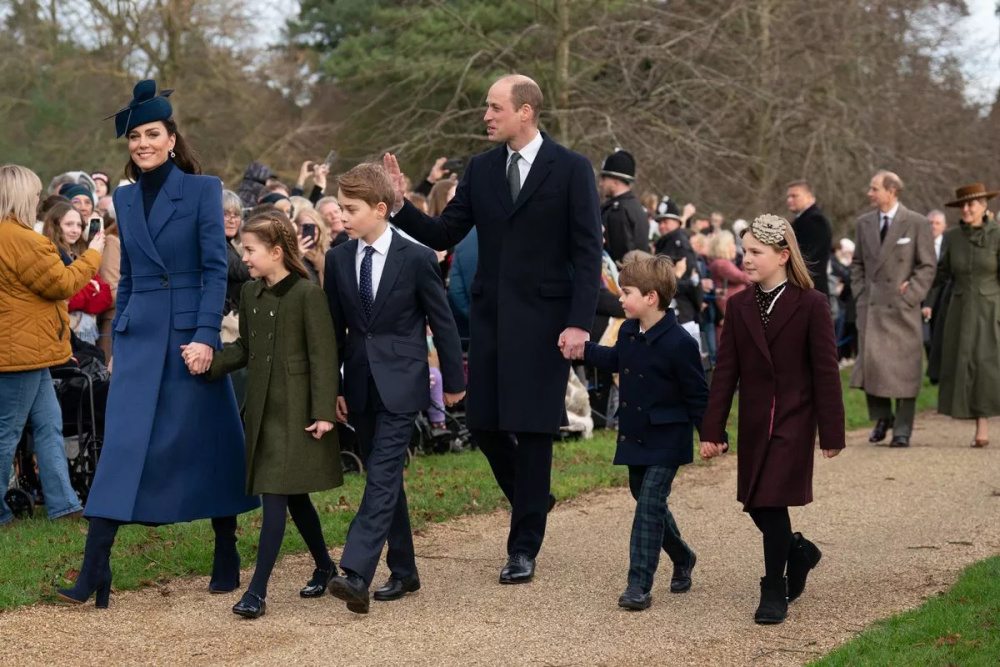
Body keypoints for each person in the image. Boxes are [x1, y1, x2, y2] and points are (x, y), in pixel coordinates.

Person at [383, 74, 603, 584]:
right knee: (482, 423)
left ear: (525, 111)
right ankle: (533, 498)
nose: (486, 115)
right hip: (490, 322)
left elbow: (587, 252)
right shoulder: (481, 169)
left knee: (533, 429)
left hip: (549, 325)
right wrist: (399, 205)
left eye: (494, 107)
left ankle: (523, 547)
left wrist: (578, 323)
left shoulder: (571, 169)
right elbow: (443, 232)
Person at [57, 80, 259, 608]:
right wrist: (120, 337)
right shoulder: (123, 196)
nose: (142, 143)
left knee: (209, 442)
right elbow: (128, 279)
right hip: (140, 335)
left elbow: (216, 269)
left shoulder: (203, 189)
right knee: (122, 447)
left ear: (172, 138)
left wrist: (204, 337)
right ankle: (94, 569)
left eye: (152, 134)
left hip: (189, 335)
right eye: (135, 137)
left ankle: (225, 549)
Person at [324, 163, 465, 613]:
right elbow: (334, 332)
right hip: (360, 384)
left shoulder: (417, 257)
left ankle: (357, 572)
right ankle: (404, 570)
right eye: (340, 207)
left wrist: (455, 385)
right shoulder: (338, 258)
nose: (342, 216)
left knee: (382, 474)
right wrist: (334, 388)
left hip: (404, 382)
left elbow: (442, 324)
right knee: (386, 481)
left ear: (380, 209)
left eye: (351, 208)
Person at [700, 214, 844, 625]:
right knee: (755, 503)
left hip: (795, 421)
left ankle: (772, 588)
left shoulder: (811, 303)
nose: (745, 259)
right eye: (744, 251)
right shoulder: (740, 305)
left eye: (755, 252)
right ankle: (798, 552)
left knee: (770, 500)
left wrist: (831, 431)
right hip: (755, 422)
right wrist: (713, 429)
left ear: (783, 256)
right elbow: (725, 372)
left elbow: (827, 371)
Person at [203, 210, 342, 619]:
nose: (244, 257)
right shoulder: (250, 293)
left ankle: (257, 592)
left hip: (298, 414)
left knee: (277, 499)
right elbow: (245, 349)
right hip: (263, 412)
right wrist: (208, 364)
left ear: (277, 252)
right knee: (294, 497)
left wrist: (323, 412)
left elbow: (323, 356)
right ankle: (325, 565)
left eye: (250, 250)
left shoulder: (307, 294)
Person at [573, 255, 706, 610]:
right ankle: (684, 556)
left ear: (651, 297)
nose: (620, 297)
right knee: (645, 497)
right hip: (635, 435)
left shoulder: (680, 342)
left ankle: (638, 585)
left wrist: (709, 433)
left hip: (668, 437)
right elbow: (617, 359)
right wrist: (582, 349)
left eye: (626, 291)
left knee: (648, 505)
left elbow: (697, 393)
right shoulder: (631, 331)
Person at [0, 164, 105, 526]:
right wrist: (93, 254)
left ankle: (64, 505)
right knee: (8, 432)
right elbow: (61, 283)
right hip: (20, 353)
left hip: (28, 349)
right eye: (34, 193)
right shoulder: (21, 239)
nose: (38, 199)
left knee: (48, 424)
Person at [850, 171, 936, 448]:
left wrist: (912, 295)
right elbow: (857, 264)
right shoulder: (863, 223)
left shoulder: (916, 223)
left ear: (892, 191)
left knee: (905, 369)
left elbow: (927, 265)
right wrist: (861, 293)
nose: (869, 193)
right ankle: (882, 417)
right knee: (871, 367)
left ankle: (902, 430)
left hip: (902, 309)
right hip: (872, 307)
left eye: (874, 188)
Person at [929, 184, 1000, 448]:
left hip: (991, 309)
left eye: (973, 204)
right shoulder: (951, 237)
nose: (967, 209)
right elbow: (942, 275)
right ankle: (975, 420)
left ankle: (983, 424)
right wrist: (919, 289)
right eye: (963, 205)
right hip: (959, 309)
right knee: (965, 365)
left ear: (984, 206)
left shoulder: (998, 236)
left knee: (987, 366)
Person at [599, 150, 648, 263]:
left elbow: (620, 255)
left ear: (615, 182)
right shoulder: (635, 206)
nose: (601, 184)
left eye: (604, 179)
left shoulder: (619, 211)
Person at [786, 180, 832, 296]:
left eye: (794, 196)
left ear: (809, 197)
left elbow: (806, 257)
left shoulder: (815, 220)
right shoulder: (803, 219)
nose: (789, 200)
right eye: (788, 196)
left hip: (810, 288)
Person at [707, 230, 751, 341]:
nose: (735, 247)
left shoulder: (719, 262)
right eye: (731, 243)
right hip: (727, 306)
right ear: (724, 246)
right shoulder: (722, 264)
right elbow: (746, 278)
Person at [922, 209, 948, 359]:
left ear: (943, 226)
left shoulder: (948, 244)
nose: (933, 226)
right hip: (922, 294)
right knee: (926, 336)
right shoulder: (919, 244)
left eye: (937, 223)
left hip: (942, 294)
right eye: (930, 223)